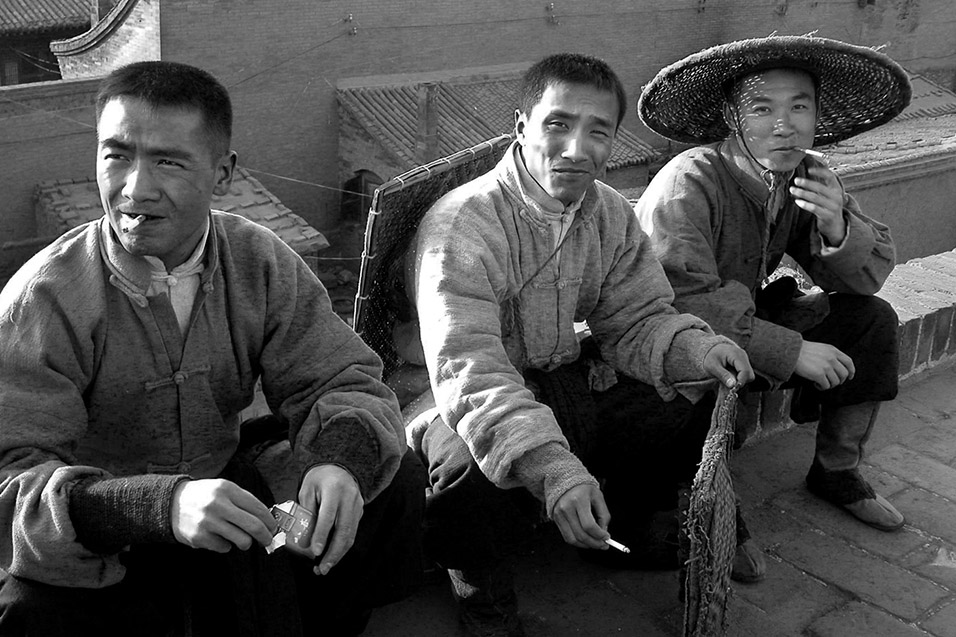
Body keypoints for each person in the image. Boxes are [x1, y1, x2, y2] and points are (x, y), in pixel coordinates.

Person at [0, 61, 424, 637]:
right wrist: (159, 506)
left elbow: (341, 380)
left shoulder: (260, 259)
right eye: (116, 155)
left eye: (168, 162)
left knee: (388, 480)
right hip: (103, 522)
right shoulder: (44, 298)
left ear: (222, 173)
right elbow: (11, 478)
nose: (135, 189)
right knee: (28, 606)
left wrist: (338, 463)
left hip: (228, 483)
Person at [406, 52, 754, 637]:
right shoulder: (464, 225)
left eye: (599, 132)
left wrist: (696, 349)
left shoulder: (610, 214)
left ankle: (624, 529)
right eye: (557, 124)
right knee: (471, 468)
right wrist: (553, 469)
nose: (576, 148)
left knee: (679, 398)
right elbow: (469, 367)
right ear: (522, 127)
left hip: (557, 375)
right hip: (457, 394)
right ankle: (482, 595)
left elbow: (637, 317)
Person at [635, 35, 913, 579]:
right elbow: (681, 297)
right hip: (677, 339)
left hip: (749, 321)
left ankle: (837, 470)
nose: (783, 125)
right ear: (733, 117)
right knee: (707, 375)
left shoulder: (802, 176)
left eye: (799, 106)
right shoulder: (689, 181)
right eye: (762, 109)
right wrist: (792, 350)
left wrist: (837, 225)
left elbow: (867, 277)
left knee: (871, 322)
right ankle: (716, 514)